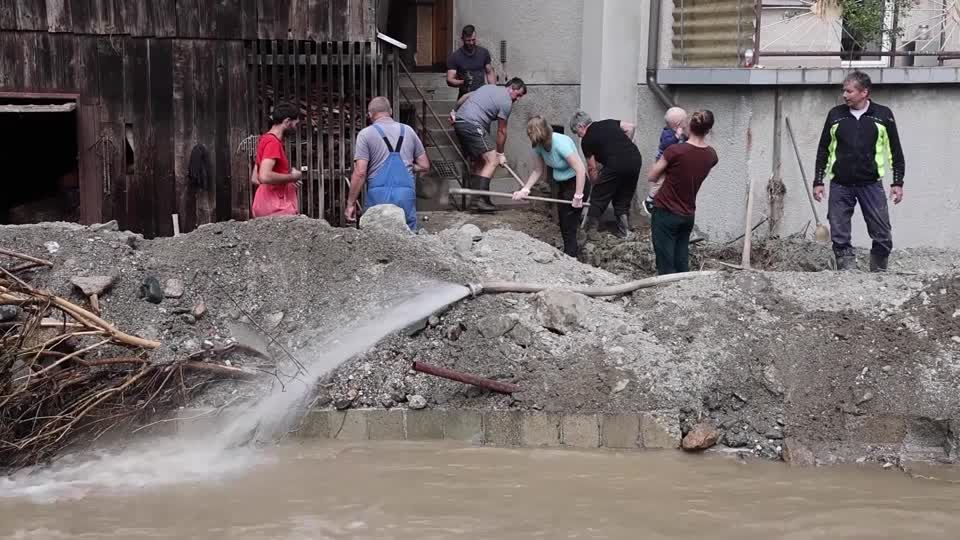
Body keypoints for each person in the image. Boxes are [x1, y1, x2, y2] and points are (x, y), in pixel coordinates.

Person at [814, 70, 905, 272]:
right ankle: (847, 273)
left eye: (849, 91)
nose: (844, 95)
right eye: (843, 91)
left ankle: (878, 273)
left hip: (871, 184)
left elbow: (895, 151)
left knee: (882, 233)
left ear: (864, 92)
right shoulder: (835, 115)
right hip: (840, 184)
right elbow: (824, 150)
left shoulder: (883, 115)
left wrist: (897, 183)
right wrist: (818, 181)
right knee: (839, 234)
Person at [645, 110, 718, 275]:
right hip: (688, 213)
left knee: (665, 264)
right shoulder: (711, 155)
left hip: (665, 211)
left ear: (689, 126)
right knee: (681, 260)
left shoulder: (674, 151)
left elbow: (652, 176)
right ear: (708, 130)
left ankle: (667, 290)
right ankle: (683, 288)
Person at [346, 97, 429, 230]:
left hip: (378, 197)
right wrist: (410, 167)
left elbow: (360, 172)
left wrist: (351, 203)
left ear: (369, 115)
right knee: (408, 236)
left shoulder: (365, 134)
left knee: (377, 236)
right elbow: (425, 165)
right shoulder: (408, 131)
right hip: (405, 195)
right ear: (390, 111)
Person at [511, 116, 587, 257]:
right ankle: (571, 252)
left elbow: (580, 169)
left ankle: (571, 255)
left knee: (568, 221)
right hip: (562, 184)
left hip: (576, 182)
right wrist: (525, 189)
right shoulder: (537, 146)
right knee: (563, 221)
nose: (538, 145)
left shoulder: (561, 143)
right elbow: (537, 170)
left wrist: (578, 195)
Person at [451, 78, 527, 212]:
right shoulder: (506, 101)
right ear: (511, 88)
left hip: (460, 123)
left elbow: (465, 97)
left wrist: (454, 112)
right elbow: (501, 131)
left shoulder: (488, 87)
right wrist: (500, 154)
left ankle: (480, 199)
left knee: (481, 162)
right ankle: (479, 201)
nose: (518, 99)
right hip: (472, 124)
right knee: (492, 160)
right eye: (518, 95)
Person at [569, 110, 642, 238]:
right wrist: (623, 146)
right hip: (634, 159)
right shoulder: (609, 123)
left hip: (616, 164)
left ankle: (590, 232)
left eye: (577, 132)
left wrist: (595, 183)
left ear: (581, 126)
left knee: (598, 197)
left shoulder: (586, 140)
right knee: (623, 197)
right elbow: (630, 127)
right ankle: (625, 232)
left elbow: (592, 167)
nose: (579, 136)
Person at [251, 103, 302, 218]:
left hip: (263, 203)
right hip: (276, 207)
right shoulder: (273, 143)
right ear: (287, 121)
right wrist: (293, 177)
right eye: (296, 124)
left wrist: (286, 181)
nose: (296, 128)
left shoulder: (264, 140)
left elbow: (255, 178)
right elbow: (264, 176)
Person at [643, 107, 688, 216]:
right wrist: (677, 136)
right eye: (685, 121)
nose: (686, 123)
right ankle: (649, 200)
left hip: (671, 163)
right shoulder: (667, 133)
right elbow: (666, 145)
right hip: (663, 161)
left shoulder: (679, 132)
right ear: (678, 124)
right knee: (660, 182)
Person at [446, 25, 496, 99]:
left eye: (473, 40)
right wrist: (462, 82)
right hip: (465, 96)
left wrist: (493, 90)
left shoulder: (483, 52)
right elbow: (450, 80)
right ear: (462, 39)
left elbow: (489, 72)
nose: (471, 43)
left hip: (481, 95)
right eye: (468, 40)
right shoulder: (455, 57)